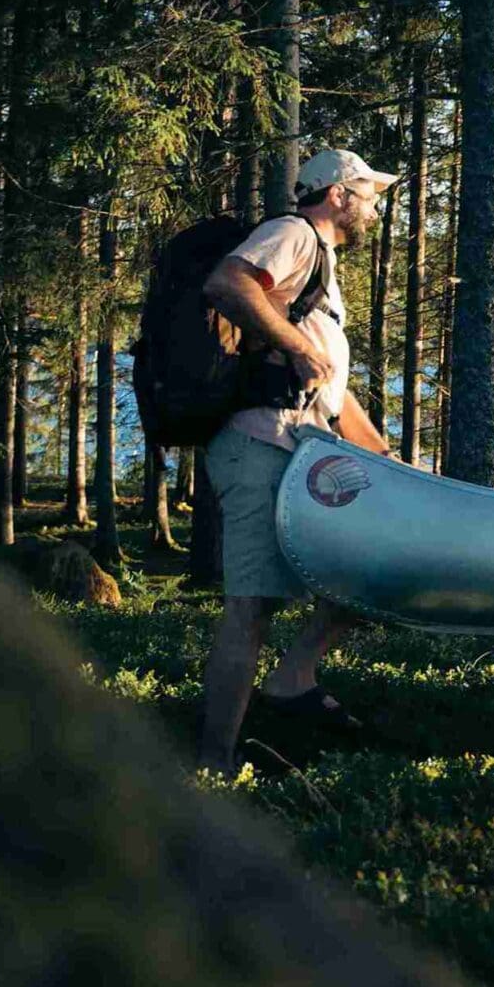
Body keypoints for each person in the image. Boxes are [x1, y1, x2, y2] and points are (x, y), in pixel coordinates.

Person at [195, 149, 398, 775]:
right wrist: (295, 348)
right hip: (260, 445)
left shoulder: (322, 267)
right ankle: (213, 765)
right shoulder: (294, 234)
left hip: (302, 452)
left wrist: (389, 462)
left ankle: (292, 678)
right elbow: (227, 284)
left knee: (367, 574)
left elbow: (332, 383)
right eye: (368, 193)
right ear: (338, 194)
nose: (374, 206)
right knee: (250, 610)